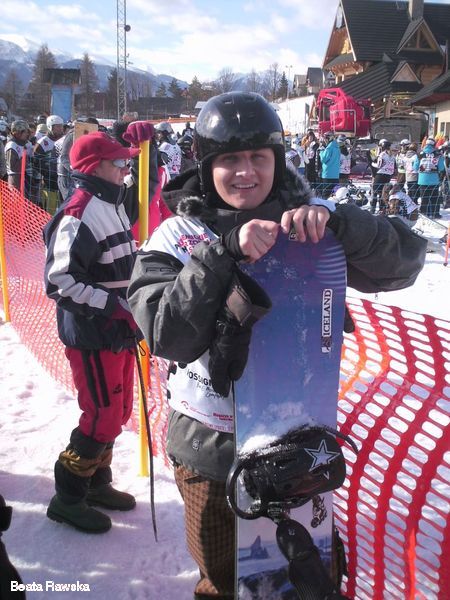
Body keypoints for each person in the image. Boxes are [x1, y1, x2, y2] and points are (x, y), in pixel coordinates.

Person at [126, 92, 427, 600]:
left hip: (298, 448)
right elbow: (165, 333)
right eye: (230, 159)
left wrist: (341, 227)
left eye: (258, 157)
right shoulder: (178, 236)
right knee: (227, 581)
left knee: (307, 576)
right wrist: (221, 254)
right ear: (207, 165)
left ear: (277, 160)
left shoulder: (311, 222)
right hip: (211, 450)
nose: (246, 172)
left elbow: (407, 261)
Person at [43, 131, 141, 534]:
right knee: (101, 415)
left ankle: (97, 482)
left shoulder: (112, 202)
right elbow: (60, 281)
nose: (126, 169)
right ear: (94, 167)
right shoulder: (78, 212)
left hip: (118, 330)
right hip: (93, 333)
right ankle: (67, 498)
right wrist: (114, 306)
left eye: (126, 162)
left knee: (119, 412)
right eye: (119, 163)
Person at [34, 114, 65, 213]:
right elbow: (36, 162)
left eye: (61, 126)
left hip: (62, 180)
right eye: (57, 126)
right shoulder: (43, 143)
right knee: (50, 209)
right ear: (50, 127)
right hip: (49, 182)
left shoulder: (64, 140)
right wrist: (47, 172)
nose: (60, 129)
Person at [414, 137, 445, 218]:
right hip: (434, 180)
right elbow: (441, 168)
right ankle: (435, 213)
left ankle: (424, 212)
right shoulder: (438, 154)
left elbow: (415, 167)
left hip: (422, 180)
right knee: (434, 198)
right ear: (434, 144)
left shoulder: (419, 154)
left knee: (424, 198)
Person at [5, 119, 34, 198]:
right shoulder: (12, 145)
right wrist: (25, 159)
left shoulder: (24, 143)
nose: (27, 134)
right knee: (16, 200)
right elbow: (13, 167)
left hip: (24, 176)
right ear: (18, 133)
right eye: (25, 132)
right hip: (15, 179)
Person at [370, 139, 396, 213]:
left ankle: (373, 208)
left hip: (380, 175)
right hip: (388, 175)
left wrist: (372, 163)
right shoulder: (393, 155)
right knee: (383, 192)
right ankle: (382, 208)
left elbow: (379, 165)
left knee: (375, 191)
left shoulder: (382, 154)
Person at [319, 131, 340, 197]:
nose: (324, 140)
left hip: (328, 174)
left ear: (329, 138)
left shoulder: (329, 148)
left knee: (326, 194)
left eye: (325, 138)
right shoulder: (337, 147)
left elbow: (323, 159)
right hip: (335, 174)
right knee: (334, 194)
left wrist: (322, 151)